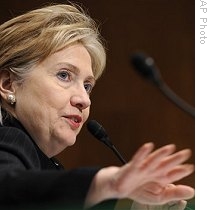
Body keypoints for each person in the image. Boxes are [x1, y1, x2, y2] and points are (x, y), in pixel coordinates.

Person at [0, 3, 194, 210]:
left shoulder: (44, 162)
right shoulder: (10, 139)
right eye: (64, 75)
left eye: (87, 86)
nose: (84, 99)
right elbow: (7, 187)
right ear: (8, 84)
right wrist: (103, 183)